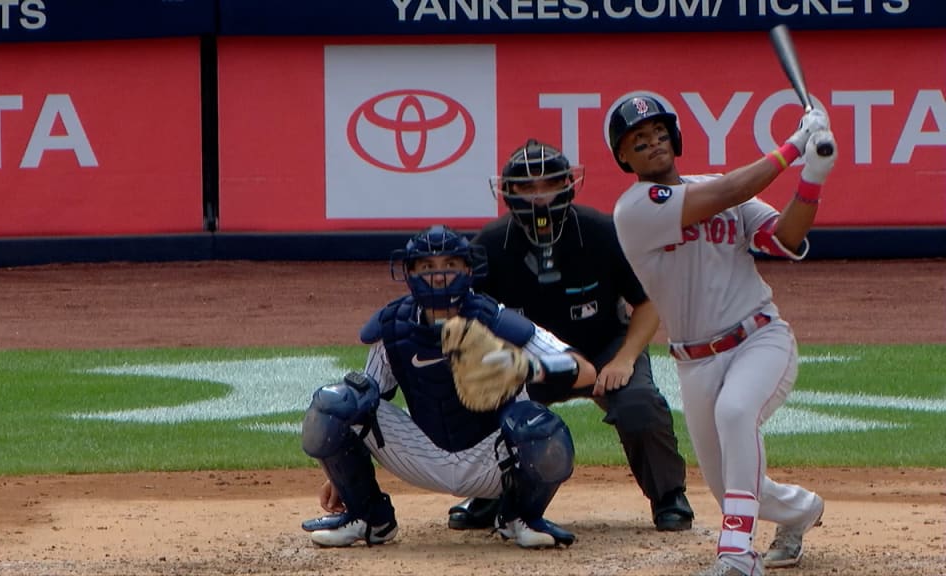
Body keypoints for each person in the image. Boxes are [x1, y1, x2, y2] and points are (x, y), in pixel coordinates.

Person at [607, 94, 835, 576]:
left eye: (660, 134)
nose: (653, 144)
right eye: (638, 141)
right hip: (694, 361)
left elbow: (784, 238)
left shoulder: (722, 189)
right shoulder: (634, 209)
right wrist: (795, 144)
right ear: (623, 157)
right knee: (726, 480)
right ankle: (802, 510)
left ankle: (736, 555)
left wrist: (812, 177)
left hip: (760, 338)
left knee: (736, 415)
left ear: (676, 139)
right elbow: (726, 193)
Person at [445, 139, 695, 533]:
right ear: (508, 192)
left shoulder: (602, 231)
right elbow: (466, 316)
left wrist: (625, 358)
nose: (539, 196)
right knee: (483, 398)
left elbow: (647, 304)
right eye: (526, 187)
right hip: (530, 358)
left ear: (568, 184)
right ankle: (494, 492)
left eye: (549, 183)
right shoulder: (488, 246)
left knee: (640, 404)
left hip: (603, 348)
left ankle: (669, 496)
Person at [300, 224, 598, 549]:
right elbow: (364, 408)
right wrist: (340, 479)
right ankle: (369, 518)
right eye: (428, 267)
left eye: (450, 266)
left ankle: (520, 518)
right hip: (421, 453)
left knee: (539, 427)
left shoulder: (495, 320)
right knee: (335, 404)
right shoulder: (393, 326)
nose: (439, 276)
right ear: (410, 272)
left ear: (468, 270)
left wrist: (528, 368)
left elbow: (586, 371)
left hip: (493, 458)